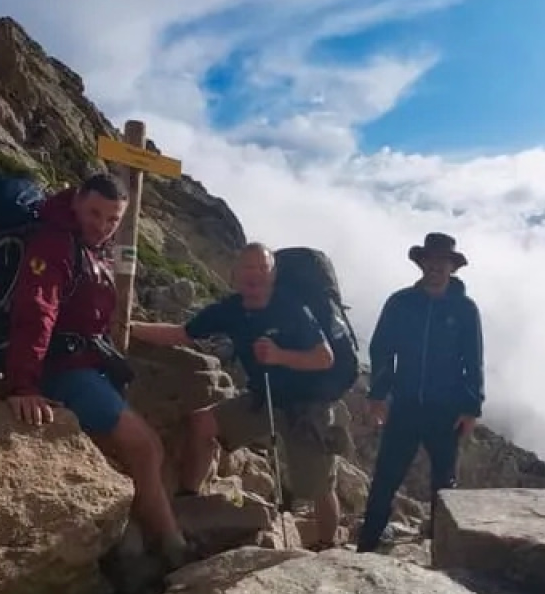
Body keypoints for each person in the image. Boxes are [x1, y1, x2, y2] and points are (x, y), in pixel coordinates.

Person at [3, 173, 192, 570]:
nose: (102, 226)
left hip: (85, 362)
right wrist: (24, 385)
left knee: (134, 451)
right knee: (145, 446)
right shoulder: (55, 242)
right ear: (77, 202)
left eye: (112, 220)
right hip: (63, 368)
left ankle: (132, 546)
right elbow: (37, 312)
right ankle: (175, 552)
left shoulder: (89, 246)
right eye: (95, 214)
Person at [127, 243, 350, 549]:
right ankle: (189, 501)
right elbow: (181, 333)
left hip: (307, 405)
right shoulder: (230, 310)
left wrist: (280, 356)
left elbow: (324, 358)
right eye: (248, 268)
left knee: (319, 484)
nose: (255, 276)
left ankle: (328, 549)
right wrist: (129, 327)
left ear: (273, 276)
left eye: (262, 269)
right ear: (235, 274)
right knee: (202, 424)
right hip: (264, 398)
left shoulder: (293, 307)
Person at [358, 232, 484, 552]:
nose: (436, 268)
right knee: (386, 476)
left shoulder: (466, 309)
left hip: (447, 410)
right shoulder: (400, 303)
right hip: (405, 405)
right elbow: (382, 350)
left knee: (444, 484)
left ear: (452, 268)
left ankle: (443, 550)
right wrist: (378, 396)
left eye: (443, 263)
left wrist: (471, 407)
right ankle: (367, 545)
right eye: (431, 262)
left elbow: (474, 360)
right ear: (422, 263)